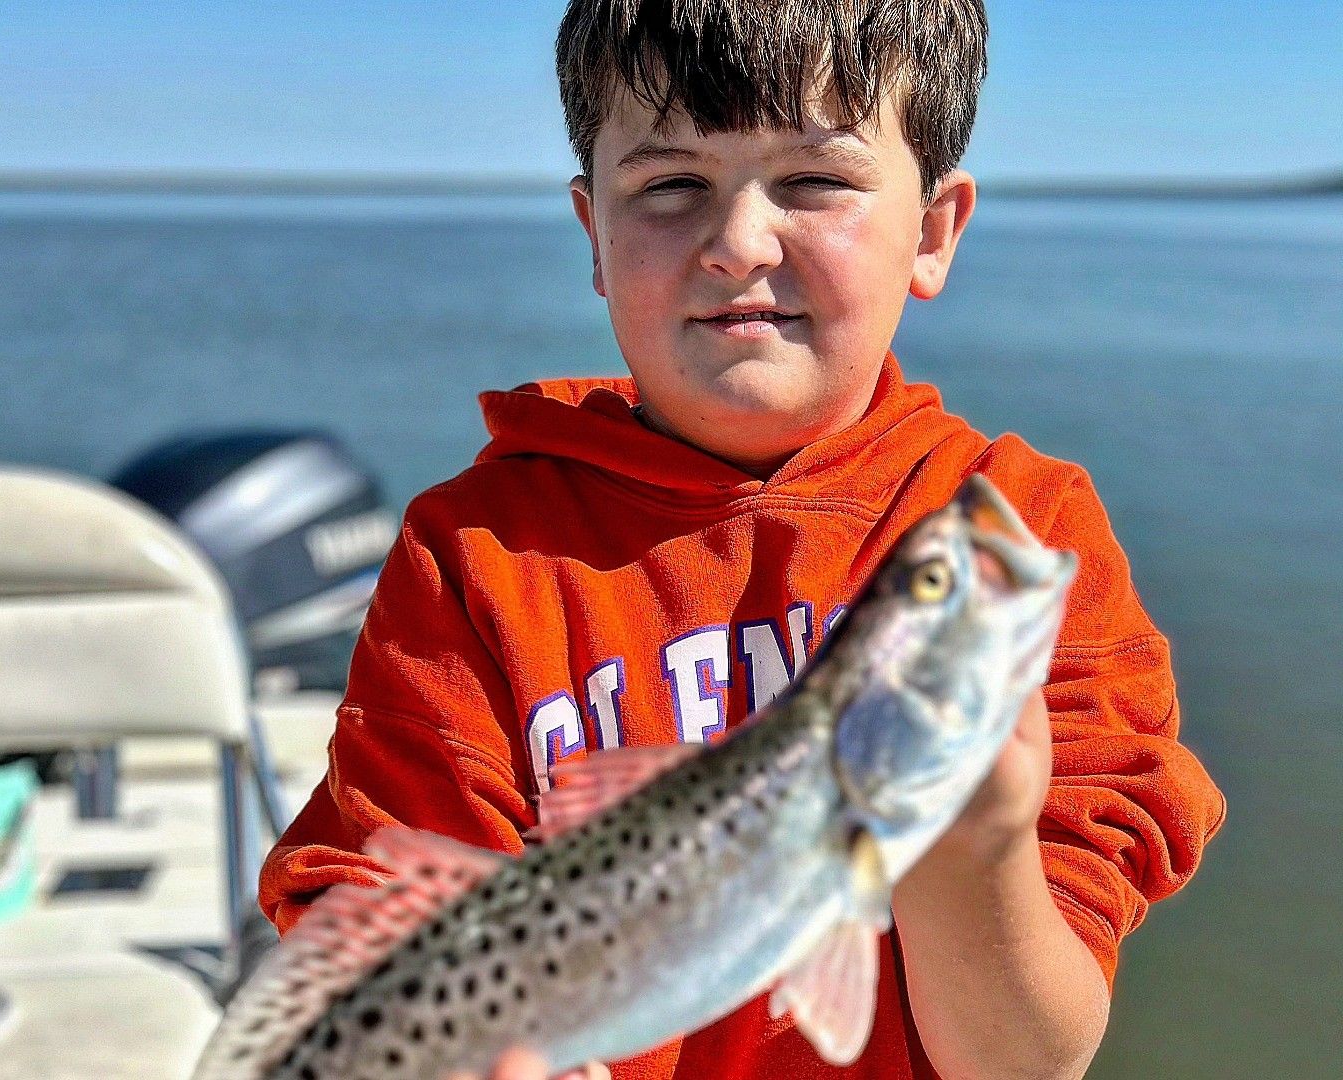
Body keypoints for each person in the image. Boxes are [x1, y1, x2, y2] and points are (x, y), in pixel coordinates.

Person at [259, 2, 1226, 1078]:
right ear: (594, 234)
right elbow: (376, 912)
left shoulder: (1026, 518)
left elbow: (1022, 1062)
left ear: (934, 231)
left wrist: (979, 844)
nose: (738, 244)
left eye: (815, 183)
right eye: (672, 187)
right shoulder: (473, 556)